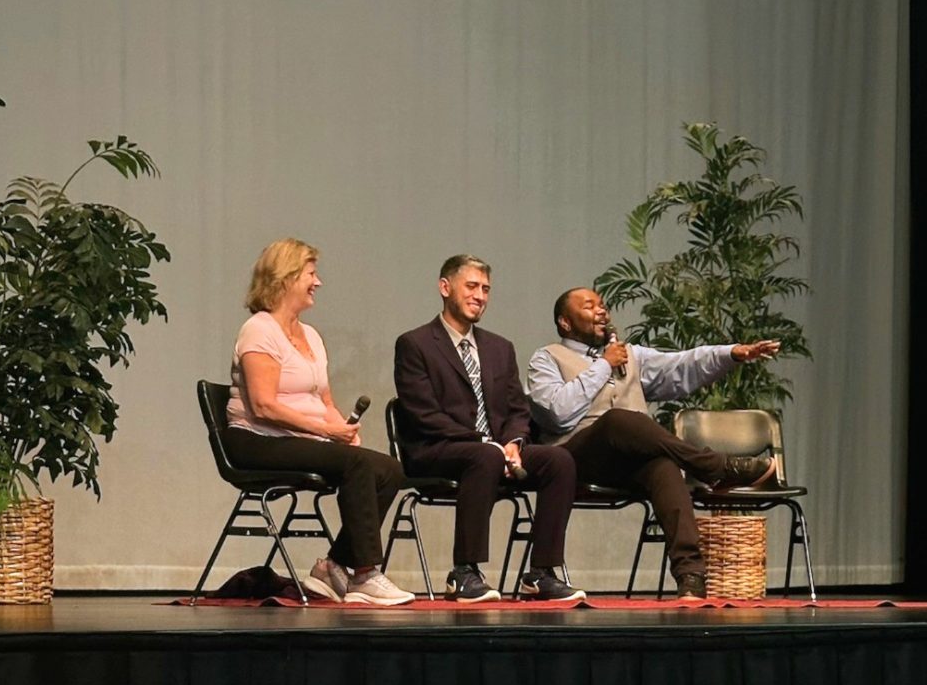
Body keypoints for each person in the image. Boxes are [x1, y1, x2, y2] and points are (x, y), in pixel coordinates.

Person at [526, 287, 782, 599]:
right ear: (565, 322)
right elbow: (556, 414)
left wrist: (730, 354)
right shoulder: (547, 358)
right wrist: (603, 366)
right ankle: (716, 465)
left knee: (663, 466)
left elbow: (681, 365)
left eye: (602, 305)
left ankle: (691, 576)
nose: (601, 311)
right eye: (589, 306)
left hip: (622, 465)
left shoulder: (630, 356)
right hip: (574, 461)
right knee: (620, 419)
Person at [225, 238, 414, 605]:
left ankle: (334, 565)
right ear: (286, 277)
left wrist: (342, 432)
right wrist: (325, 431)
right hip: (256, 439)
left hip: (299, 438)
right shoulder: (259, 330)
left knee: (389, 468)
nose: (318, 282)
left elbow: (322, 400)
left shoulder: (309, 334)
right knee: (358, 465)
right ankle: (365, 574)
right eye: (311, 273)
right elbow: (264, 406)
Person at [393, 254, 585, 603]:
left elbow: (516, 409)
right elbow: (423, 413)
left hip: (495, 451)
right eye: (471, 286)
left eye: (486, 289)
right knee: (484, 456)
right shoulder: (415, 344)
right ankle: (464, 573)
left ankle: (541, 574)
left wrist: (513, 442)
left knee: (559, 460)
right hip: (436, 449)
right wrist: (487, 443)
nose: (480, 296)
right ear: (444, 287)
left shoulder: (499, 348)